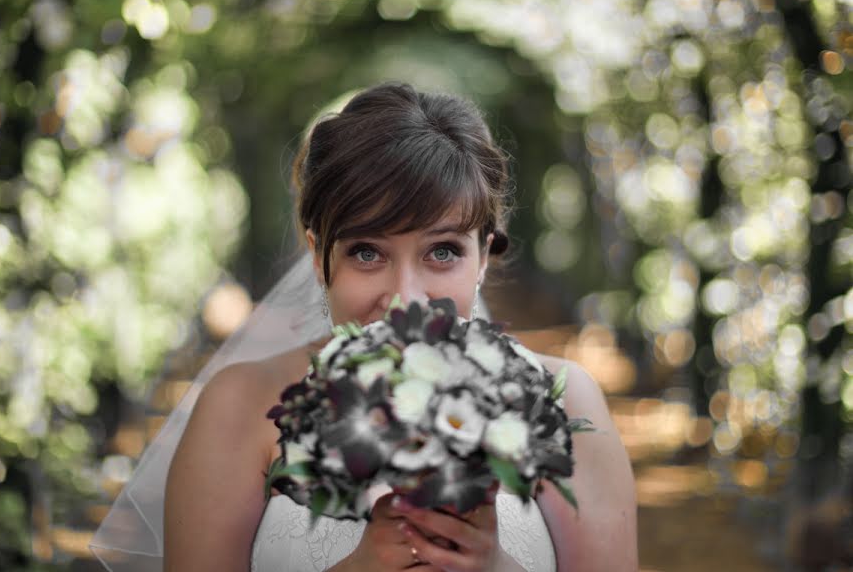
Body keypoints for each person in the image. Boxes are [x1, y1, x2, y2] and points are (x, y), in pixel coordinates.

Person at [90, 82, 637, 572]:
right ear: (317, 254)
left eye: (442, 251)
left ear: (485, 255)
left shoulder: (562, 405)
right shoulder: (239, 405)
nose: (405, 298)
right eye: (367, 253)